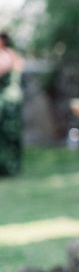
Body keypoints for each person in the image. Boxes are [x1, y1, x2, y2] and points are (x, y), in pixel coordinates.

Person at [0, 32, 25, 175]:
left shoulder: (7, 55)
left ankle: (8, 167)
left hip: (7, 103)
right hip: (11, 100)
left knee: (8, 135)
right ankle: (10, 167)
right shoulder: (14, 56)